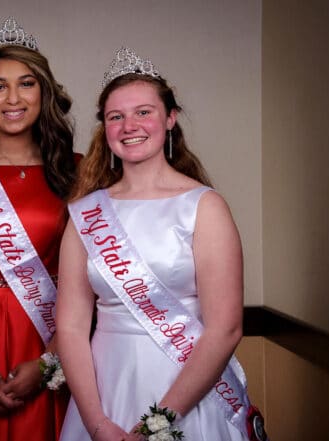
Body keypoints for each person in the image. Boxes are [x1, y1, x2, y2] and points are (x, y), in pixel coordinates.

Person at [58, 47, 259, 441]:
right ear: (105, 127)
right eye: (116, 116)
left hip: (188, 391)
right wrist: (96, 422)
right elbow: (70, 325)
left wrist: (160, 422)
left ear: (170, 118)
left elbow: (226, 329)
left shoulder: (204, 206)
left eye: (144, 112)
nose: (129, 125)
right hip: (104, 393)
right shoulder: (85, 213)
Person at [0, 17, 78, 441]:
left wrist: (50, 362)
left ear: (43, 91)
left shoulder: (76, 172)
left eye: (26, 83)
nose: (12, 98)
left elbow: (93, 281)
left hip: (52, 336)